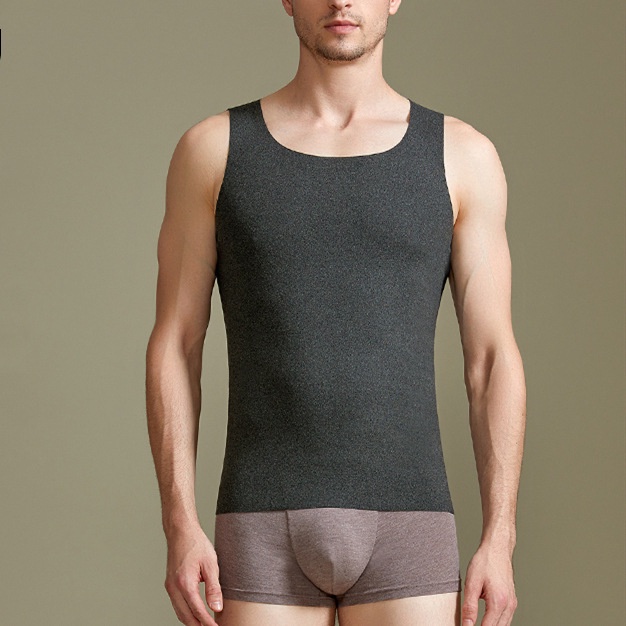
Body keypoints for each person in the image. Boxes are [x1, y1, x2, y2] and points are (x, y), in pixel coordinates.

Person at [145, 0, 526, 625]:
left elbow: (491, 359)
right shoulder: (213, 150)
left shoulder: (462, 156)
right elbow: (175, 345)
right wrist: (179, 524)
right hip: (259, 522)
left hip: (411, 521)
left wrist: (500, 537)